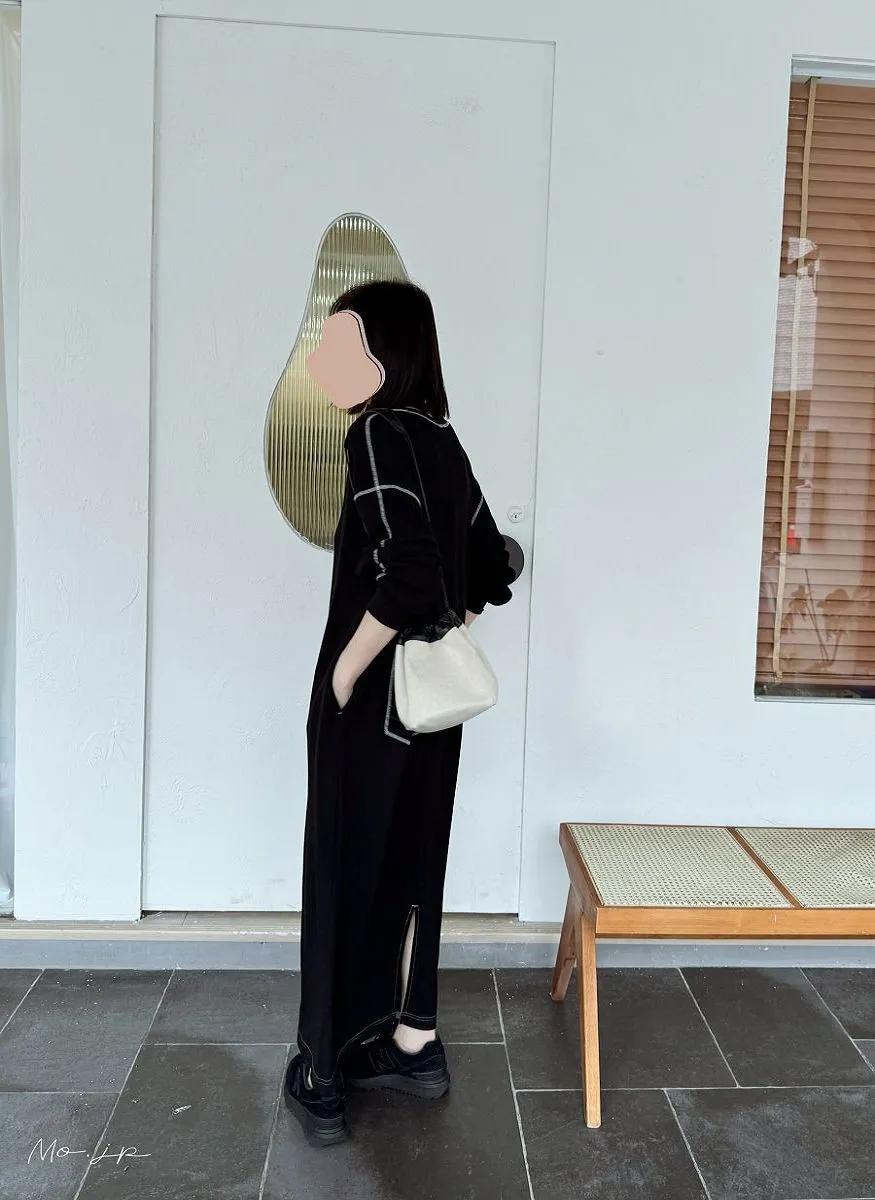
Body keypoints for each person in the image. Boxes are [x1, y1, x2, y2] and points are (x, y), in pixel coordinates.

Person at [282, 279, 515, 1147]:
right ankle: (413, 1044)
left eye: (338, 344)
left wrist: (343, 675)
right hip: (431, 708)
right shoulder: (441, 439)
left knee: (342, 862)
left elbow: (411, 572)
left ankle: (322, 1074)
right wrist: (447, 632)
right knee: (415, 862)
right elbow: (492, 564)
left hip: (373, 703)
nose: (321, 362)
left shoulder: (376, 432)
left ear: (388, 355)